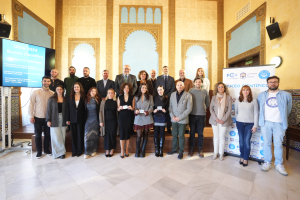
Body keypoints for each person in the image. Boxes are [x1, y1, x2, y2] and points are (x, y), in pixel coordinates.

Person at [258, 76, 292, 176]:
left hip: (279, 123)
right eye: (270, 82)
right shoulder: (261, 95)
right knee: (267, 143)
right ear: (267, 83)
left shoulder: (286, 95)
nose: (273, 83)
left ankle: (279, 164)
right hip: (266, 123)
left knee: (278, 144)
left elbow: (288, 109)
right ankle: (267, 162)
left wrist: (282, 119)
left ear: (278, 83)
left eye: (275, 82)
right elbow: (260, 108)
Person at [29, 76, 54, 159]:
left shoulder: (52, 93)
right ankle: (39, 151)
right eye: (45, 81)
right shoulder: (36, 92)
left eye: (48, 81)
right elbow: (31, 104)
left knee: (47, 135)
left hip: (48, 118)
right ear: (42, 82)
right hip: (37, 117)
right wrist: (31, 116)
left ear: (50, 82)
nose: (46, 83)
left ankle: (46, 150)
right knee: (37, 135)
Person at [167, 81, 193, 159]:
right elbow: (170, 107)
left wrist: (179, 117)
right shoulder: (172, 95)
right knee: (174, 135)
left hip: (182, 119)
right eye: (178, 85)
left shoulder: (188, 95)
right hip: (174, 119)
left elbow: (189, 108)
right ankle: (174, 149)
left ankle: (181, 151)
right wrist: (172, 116)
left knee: (181, 136)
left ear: (184, 86)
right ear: (176, 86)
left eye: (181, 85)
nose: (179, 86)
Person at [235, 85, 258, 167]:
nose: (245, 91)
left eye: (247, 90)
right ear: (241, 91)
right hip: (240, 123)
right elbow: (236, 112)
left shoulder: (254, 101)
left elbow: (256, 114)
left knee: (246, 141)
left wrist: (255, 125)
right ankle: (241, 156)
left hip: (250, 124)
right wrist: (238, 120)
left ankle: (246, 158)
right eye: (244, 90)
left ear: (250, 92)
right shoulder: (238, 100)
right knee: (241, 141)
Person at [209, 82, 232, 161]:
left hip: (224, 121)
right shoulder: (213, 97)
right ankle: (215, 153)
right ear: (217, 89)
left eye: (222, 87)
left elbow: (229, 110)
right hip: (214, 120)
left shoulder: (229, 98)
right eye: (219, 87)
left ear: (224, 88)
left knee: (222, 137)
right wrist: (216, 119)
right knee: (216, 137)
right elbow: (211, 109)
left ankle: (221, 154)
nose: (220, 88)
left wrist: (223, 120)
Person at [188, 78, 210, 157]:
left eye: (199, 82)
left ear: (201, 83)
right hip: (192, 114)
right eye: (196, 82)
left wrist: (202, 109)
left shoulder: (205, 91)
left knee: (200, 133)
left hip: (201, 115)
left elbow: (207, 103)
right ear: (194, 83)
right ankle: (191, 148)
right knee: (192, 132)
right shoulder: (190, 91)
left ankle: (200, 149)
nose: (198, 83)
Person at [46, 85, 67, 159]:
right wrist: (48, 120)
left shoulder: (65, 99)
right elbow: (49, 110)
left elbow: (67, 111)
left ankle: (62, 153)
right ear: (55, 90)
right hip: (54, 118)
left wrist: (68, 120)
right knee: (56, 136)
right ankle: (57, 152)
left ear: (63, 90)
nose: (59, 90)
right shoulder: (52, 99)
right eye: (57, 89)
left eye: (61, 89)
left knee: (62, 136)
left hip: (63, 118)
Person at [134, 83, 154, 158]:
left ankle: (143, 150)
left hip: (147, 117)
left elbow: (152, 106)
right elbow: (134, 107)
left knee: (146, 134)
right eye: (142, 87)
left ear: (147, 89)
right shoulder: (136, 97)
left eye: (145, 88)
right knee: (139, 135)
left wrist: (148, 111)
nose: (144, 89)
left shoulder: (150, 97)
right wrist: (135, 111)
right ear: (140, 88)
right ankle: (137, 150)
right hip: (138, 117)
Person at [66, 82, 86, 157]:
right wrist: (67, 119)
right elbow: (67, 109)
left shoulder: (84, 97)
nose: (76, 88)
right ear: (73, 88)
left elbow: (85, 109)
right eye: (75, 87)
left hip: (81, 119)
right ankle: (74, 151)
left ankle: (79, 151)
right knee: (73, 136)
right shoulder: (70, 97)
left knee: (80, 135)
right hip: (72, 119)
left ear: (80, 88)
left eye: (77, 87)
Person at [117, 82, 135, 158]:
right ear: (123, 89)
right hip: (121, 117)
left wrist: (132, 108)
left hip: (129, 117)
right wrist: (119, 108)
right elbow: (118, 108)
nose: (126, 89)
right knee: (122, 133)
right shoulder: (119, 97)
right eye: (125, 88)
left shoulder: (132, 97)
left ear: (129, 89)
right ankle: (122, 150)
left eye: (128, 88)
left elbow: (133, 108)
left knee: (127, 133)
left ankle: (127, 150)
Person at [156, 66, 175, 133]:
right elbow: (157, 87)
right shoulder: (158, 78)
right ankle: (161, 128)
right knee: (161, 112)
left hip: (169, 98)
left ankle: (169, 128)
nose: (165, 70)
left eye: (166, 69)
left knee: (168, 112)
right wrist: (162, 94)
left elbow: (173, 88)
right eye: (164, 69)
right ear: (162, 70)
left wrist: (167, 95)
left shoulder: (172, 78)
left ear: (168, 70)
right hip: (160, 97)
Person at [100, 89, 118, 157]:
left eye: (112, 93)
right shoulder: (104, 101)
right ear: (107, 93)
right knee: (106, 135)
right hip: (106, 121)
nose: (110, 94)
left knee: (112, 135)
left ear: (114, 94)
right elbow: (100, 111)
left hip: (113, 121)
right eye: (109, 93)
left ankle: (112, 149)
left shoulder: (116, 101)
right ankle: (107, 149)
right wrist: (101, 121)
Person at [84, 87, 101, 159]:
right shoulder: (86, 100)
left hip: (95, 120)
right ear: (89, 92)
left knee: (95, 135)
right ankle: (87, 152)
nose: (93, 92)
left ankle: (94, 150)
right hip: (88, 119)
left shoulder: (98, 100)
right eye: (92, 91)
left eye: (95, 91)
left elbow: (100, 111)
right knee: (87, 136)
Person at [153, 85, 169, 157]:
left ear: (163, 90)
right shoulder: (154, 98)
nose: (160, 91)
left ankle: (161, 150)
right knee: (156, 134)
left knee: (162, 134)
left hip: (163, 117)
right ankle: (157, 149)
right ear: (157, 90)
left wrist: (166, 110)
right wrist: (154, 110)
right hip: (156, 117)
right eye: (158, 90)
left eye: (161, 89)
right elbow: (152, 107)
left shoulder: (166, 98)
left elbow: (169, 108)